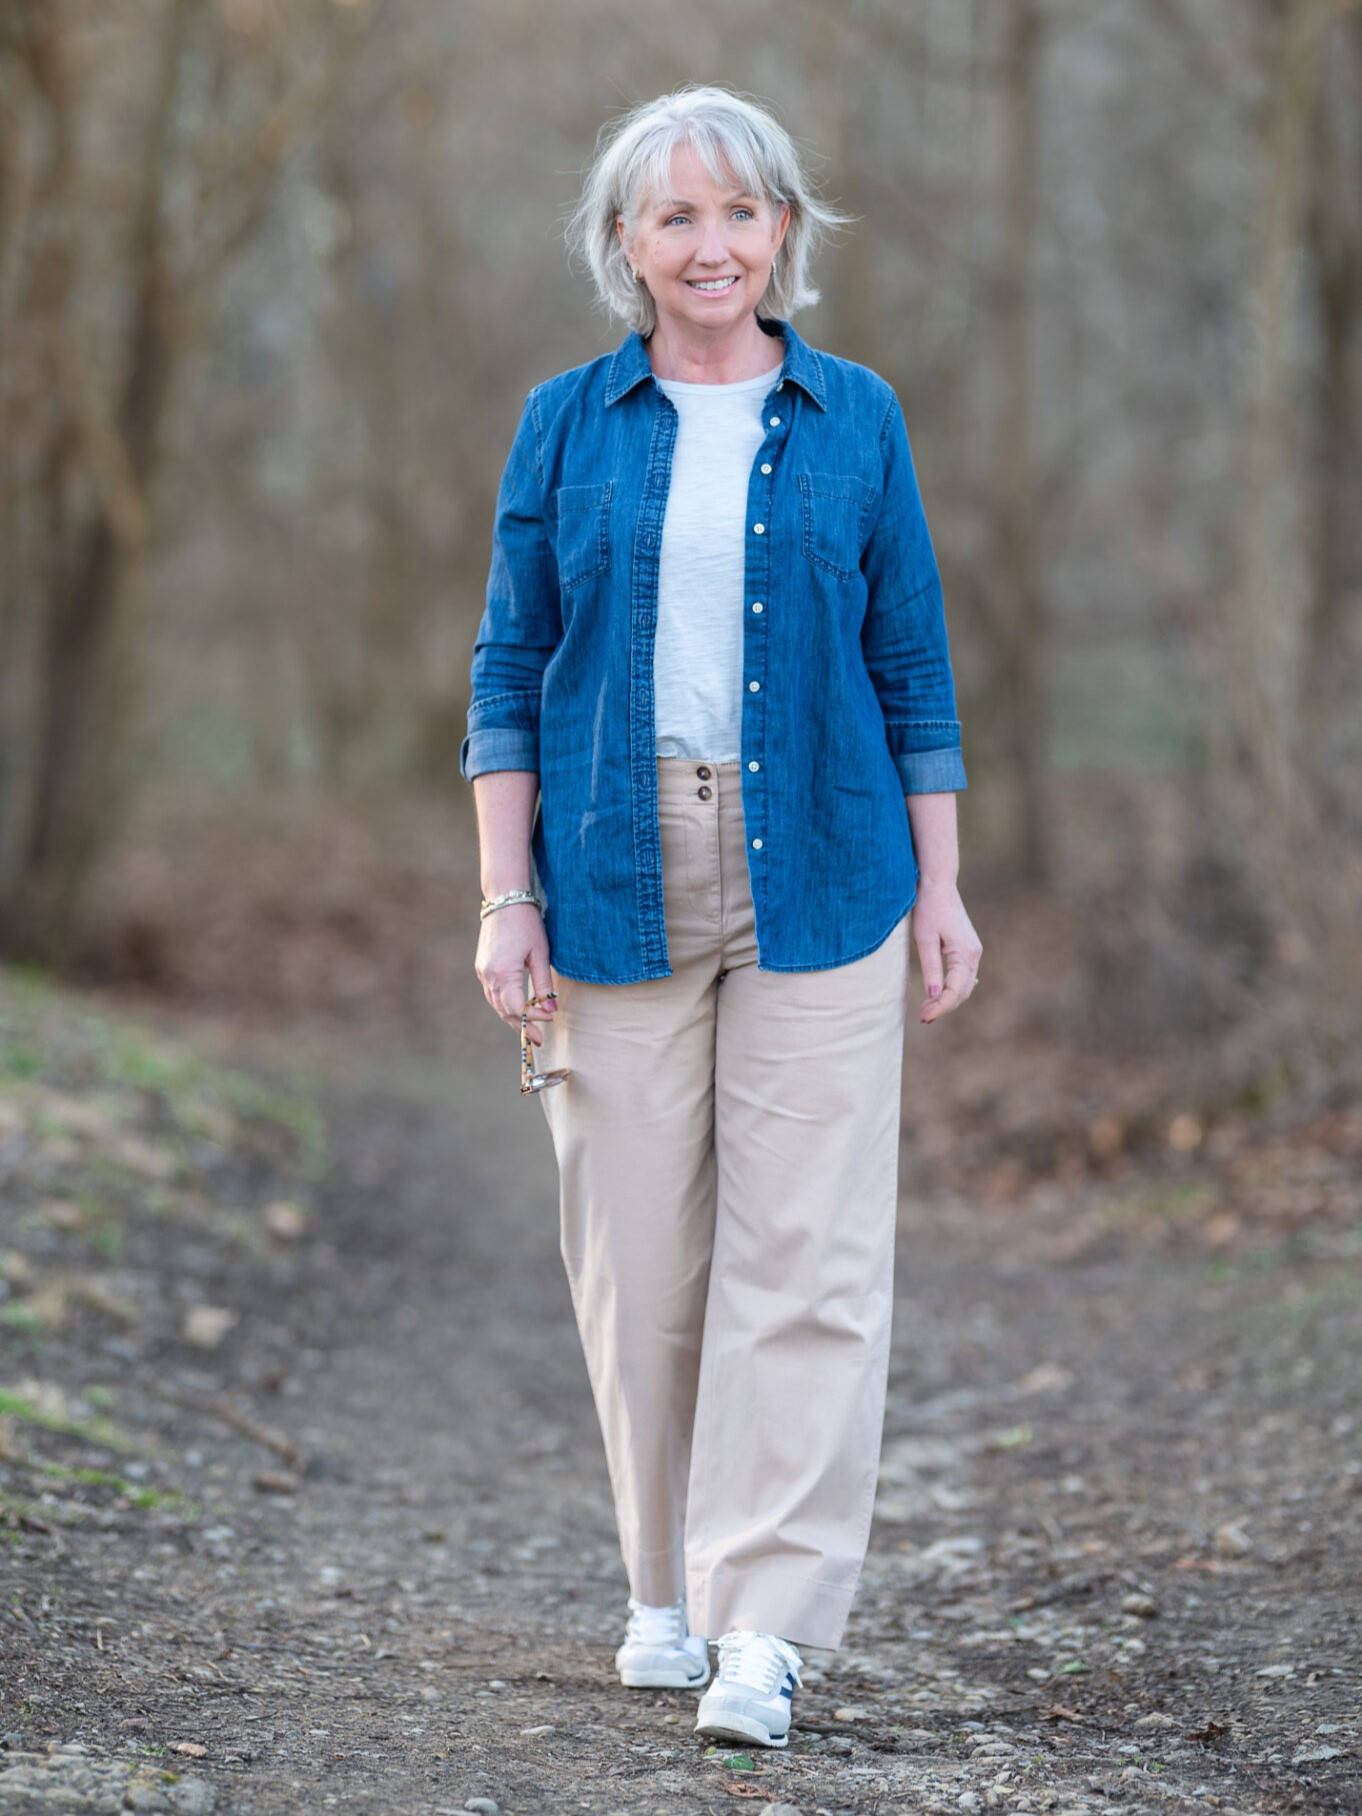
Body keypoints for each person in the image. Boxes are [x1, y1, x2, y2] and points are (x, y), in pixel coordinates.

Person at [463, 85, 981, 1751]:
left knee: (806, 1258)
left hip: (826, 868)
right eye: (673, 216)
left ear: (785, 236)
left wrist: (945, 885)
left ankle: (764, 1624)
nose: (709, 245)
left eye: (740, 214)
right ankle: (664, 1588)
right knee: (638, 1259)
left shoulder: (857, 419)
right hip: (610, 864)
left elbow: (910, 662)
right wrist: (503, 892)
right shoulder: (563, 423)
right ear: (622, 243)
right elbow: (505, 671)